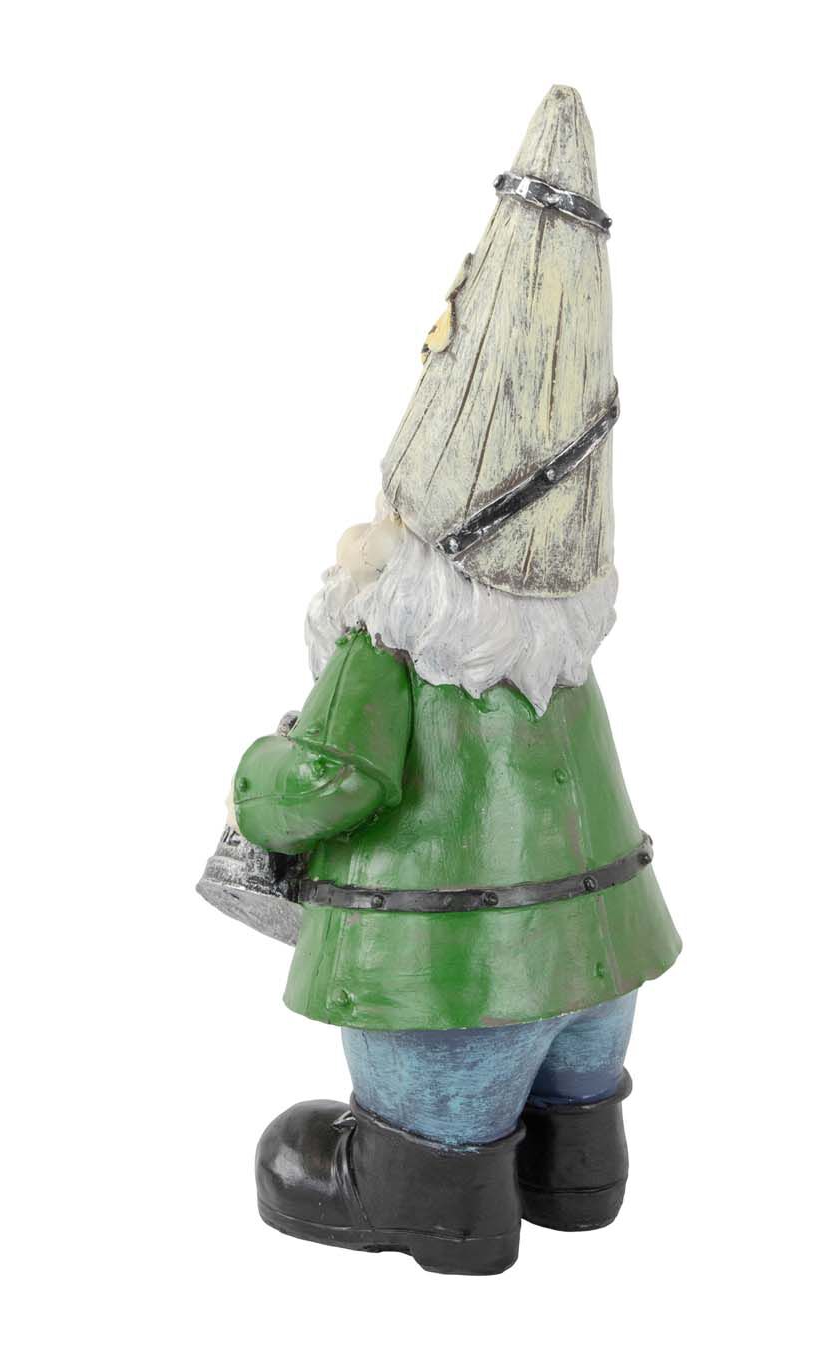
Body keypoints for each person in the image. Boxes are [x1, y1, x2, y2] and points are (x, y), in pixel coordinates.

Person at [229, 86, 681, 1275]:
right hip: (598, 965)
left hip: (454, 981)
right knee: (578, 1066)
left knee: (429, 1108)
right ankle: (575, 1161)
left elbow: (328, 782)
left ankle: (435, 1189)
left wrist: (259, 778)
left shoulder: (388, 635)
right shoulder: (561, 656)